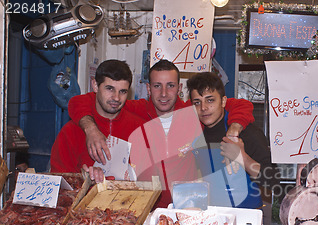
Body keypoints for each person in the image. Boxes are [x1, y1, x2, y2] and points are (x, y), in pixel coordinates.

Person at [68, 60, 255, 207]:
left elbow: (241, 105)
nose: (164, 93)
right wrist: (90, 128)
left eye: (171, 86)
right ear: (148, 89)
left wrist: (234, 129)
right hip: (147, 209)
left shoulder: (194, 110)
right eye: (157, 86)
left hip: (189, 208)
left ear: (179, 89)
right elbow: (80, 101)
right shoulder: (135, 110)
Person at [187, 72, 277, 208]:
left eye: (210, 100)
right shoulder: (195, 135)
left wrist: (243, 158)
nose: (203, 108)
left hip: (246, 218)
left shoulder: (245, 132)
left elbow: (272, 179)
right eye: (197, 102)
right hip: (212, 217)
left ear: (223, 101)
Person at [50, 60, 144, 182]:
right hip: (85, 201)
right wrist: (82, 180)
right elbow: (59, 183)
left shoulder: (140, 128)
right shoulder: (71, 131)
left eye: (123, 91)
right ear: (95, 85)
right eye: (109, 89)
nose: (116, 97)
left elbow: (149, 180)